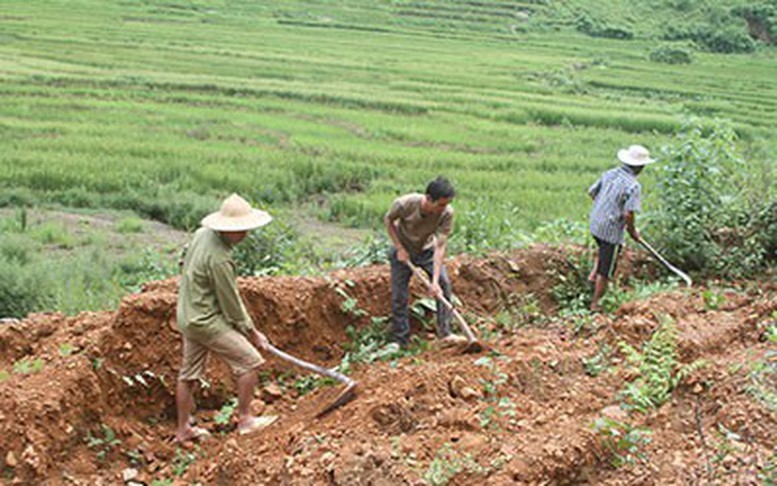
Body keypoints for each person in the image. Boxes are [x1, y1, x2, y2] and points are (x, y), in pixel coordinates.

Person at [175, 193, 277, 442]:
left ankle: (183, 430)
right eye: (240, 229)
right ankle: (246, 420)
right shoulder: (220, 259)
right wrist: (252, 333)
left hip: (187, 315)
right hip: (205, 320)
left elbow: (182, 261)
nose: (245, 235)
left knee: (188, 375)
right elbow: (231, 303)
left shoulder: (201, 235)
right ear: (225, 229)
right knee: (250, 363)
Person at [385, 176, 466, 349]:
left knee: (444, 284)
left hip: (427, 250)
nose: (444, 208)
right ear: (429, 198)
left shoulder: (446, 213)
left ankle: (445, 333)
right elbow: (389, 220)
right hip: (403, 250)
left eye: (446, 204)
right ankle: (401, 340)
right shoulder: (404, 204)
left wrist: (434, 281)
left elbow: (440, 246)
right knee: (399, 295)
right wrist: (399, 248)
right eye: (441, 204)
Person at [588, 144, 656, 311]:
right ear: (640, 166)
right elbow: (628, 214)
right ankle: (595, 305)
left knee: (603, 252)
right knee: (606, 271)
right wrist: (632, 231)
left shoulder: (609, 173)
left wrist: (604, 208)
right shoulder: (633, 185)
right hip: (610, 232)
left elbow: (592, 192)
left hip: (595, 223)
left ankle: (591, 278)